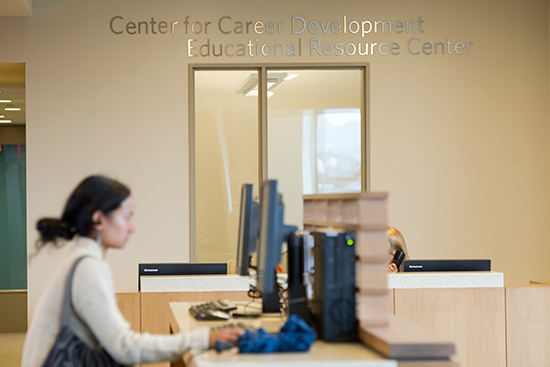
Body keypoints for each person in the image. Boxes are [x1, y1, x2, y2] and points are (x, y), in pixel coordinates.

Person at [22, 175, 243, 366]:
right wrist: (204, 339)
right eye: (127, 217)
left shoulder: (82, 260)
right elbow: (124, 347)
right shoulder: (87, 268)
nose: (132, 227)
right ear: (98, 219)